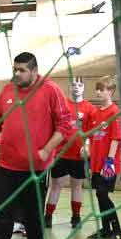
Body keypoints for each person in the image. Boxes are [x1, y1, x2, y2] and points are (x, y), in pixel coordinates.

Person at [0, 52, 74, 239]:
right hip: (7, 165)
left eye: (21, 70)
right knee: (3, 213)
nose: (16, 74)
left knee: (33, 215)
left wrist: (47, 149)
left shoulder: (50, 90)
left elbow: (65, 126)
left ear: (34, 71)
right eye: (14, 69)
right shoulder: (8, 90)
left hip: (35, 169)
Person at [44, 78, 92, 230]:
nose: (76, 87)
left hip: (79, 155)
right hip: (60, 153)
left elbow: (91, 132)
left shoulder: (89, 108)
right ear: (69, 87)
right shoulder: (61, 105)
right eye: (73, 84)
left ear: (84, 87)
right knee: (56, 185)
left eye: (79, 85)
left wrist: (87, 145)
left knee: (77, 186)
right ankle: (48, 216)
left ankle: (76, 217)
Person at [83, 80, 121, 239]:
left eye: (102, 89)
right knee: (100, 196)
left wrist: (109, 162)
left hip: (108, 164)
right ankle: (105, 229)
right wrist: (86, 147)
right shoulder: (94, 113)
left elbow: (116, 139)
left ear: (111, 92)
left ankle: (118, 231)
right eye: (97, 89)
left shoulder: (114, 112)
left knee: (102, 194)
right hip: (95, 163)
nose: (98, 92)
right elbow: (90, 135)